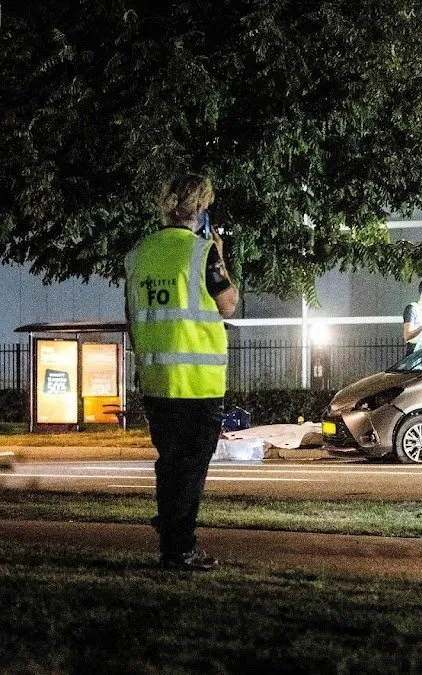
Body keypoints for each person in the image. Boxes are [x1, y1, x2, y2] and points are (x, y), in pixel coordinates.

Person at [125, 173, 238, 572]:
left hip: (156, 382)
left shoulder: (137, 254)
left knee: (170, 462)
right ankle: (180, 546)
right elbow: (228, 305)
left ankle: (171, 530)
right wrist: (219, 254)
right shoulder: (203, 253)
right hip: (198, 384)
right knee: (191, 467)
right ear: (201, 210)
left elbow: (132, 315)